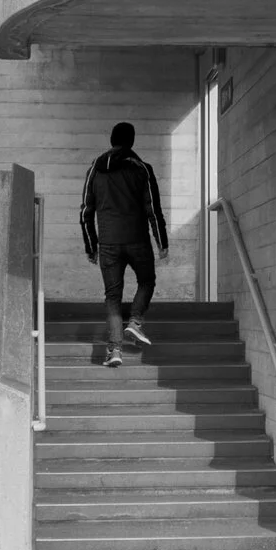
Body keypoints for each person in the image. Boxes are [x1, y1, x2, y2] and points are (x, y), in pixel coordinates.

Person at [78, 121, 168, 368]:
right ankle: (135, 322)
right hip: (137, 239)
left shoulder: (95, 171)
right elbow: (154, 210)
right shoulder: (142, 169)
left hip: (108, 243)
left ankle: (114, 350)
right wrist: (162, 242)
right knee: (147, 280)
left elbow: (86, 211)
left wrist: (91, 245)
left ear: (111, 140)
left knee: (113, 297)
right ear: (132, 141)